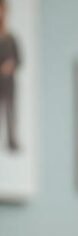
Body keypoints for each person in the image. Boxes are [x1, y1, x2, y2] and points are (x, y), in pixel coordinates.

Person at [0, 0, 20, 152]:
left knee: (11, 112)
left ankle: (11, 141)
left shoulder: (11, 38)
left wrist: (11, 65)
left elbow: (19, 59)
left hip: (10, 83)